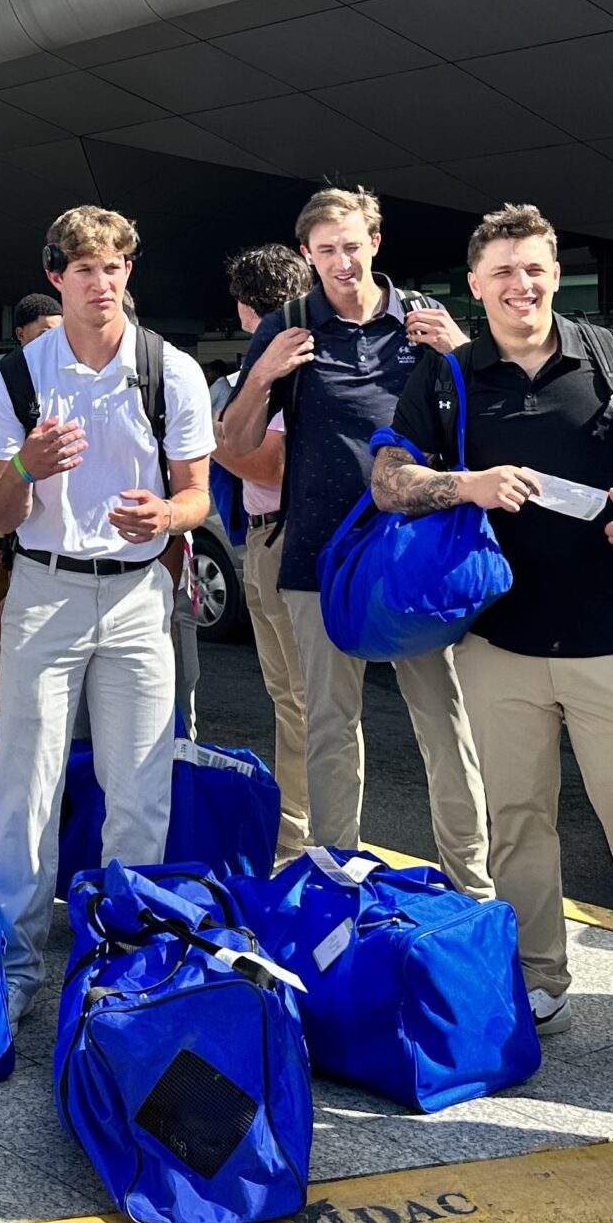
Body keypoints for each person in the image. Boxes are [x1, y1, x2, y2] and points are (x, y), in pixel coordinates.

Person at [375, 203, 613, 1080]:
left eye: (535, 268)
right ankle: (539, 981)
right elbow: (389, 481)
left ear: (556, 274)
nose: (522, 285)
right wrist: (464, 485)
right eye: (503, 271)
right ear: (475, 285)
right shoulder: (447, 376)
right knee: (517, 823)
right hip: (496, 642)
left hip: (611, 638)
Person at [214, 185, 489, 893]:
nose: (342, 262)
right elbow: (234, 442)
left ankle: (474, 887)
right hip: (320, 560)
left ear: (376, 243)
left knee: (444, 725)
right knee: (329, 727)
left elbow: (486, 422)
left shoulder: (424, 320)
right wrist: (263, 375)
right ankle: (337, 888)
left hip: (413, 556)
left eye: (352, 246)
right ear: (308, 255)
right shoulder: (288, 327)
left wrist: (463, 354)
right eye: (326, 250)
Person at [0, 209, 212, 1022]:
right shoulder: (17, 378)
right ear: (57, 277)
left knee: (140, 787)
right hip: (44, 589)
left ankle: (125, 955)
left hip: (140, 593)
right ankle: (15, 963)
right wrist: (24, 466)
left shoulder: (170, 370)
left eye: (114, 267)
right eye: (84, 269)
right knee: (27, 782)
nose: (102, 282)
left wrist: (169, 517)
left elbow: (198, 493)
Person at [221, 243, 313, 860]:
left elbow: (271, 466)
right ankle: (297, 833)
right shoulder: (287, 357)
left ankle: (303, 840)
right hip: (269, 535)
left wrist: (206, 438)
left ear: (247, 306)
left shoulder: (281, 364)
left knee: (301, 701)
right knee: (292, 699)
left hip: (285, 537)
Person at [0, 294, 62, 720]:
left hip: (56, 525)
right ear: (21, 334)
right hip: (6, 517)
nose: (54, 341)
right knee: (0, 624)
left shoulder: (65, 374)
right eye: (45, 332)